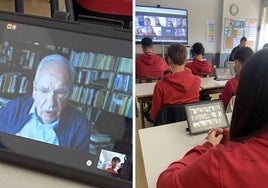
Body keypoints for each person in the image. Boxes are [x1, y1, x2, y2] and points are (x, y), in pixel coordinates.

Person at [157, 49, 268, 188]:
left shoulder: (222, 162)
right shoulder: (197, 80)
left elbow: (165, 182)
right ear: (186, 60)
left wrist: (207, 146)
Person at [0, 54, 91, 151]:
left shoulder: (79, 125)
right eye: (44, 91)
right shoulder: (13, 108)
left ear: (70, 93)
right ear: (34, 89)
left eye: (60, 92)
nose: (51, 104)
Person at [149, 43, 201, 121]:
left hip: (167, 126)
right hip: (190, 124)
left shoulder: (160, 86)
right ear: (186, 61)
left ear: (169, 60)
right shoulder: (197, 81)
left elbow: (154, 116)